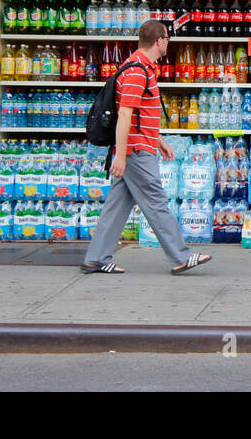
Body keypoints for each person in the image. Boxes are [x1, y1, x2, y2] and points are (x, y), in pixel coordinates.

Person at [81, 19, 211, 276]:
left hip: (140, 145)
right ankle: (181, 256)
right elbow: (125, 114)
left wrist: (158, 139)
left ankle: (96, 258)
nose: (169, 44)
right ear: (159, 41)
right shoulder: (138, 71)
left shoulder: (140, 67)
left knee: (116, 206)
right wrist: (120, 155)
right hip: (136, 152)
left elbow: (141, 114)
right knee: (156, 202)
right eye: (167, 39)